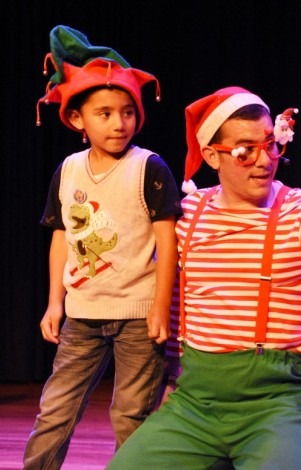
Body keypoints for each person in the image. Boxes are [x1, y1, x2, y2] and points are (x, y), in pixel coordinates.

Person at [107, 86, 301, 469]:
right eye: (246, 150)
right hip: (195, 401)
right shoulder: (189, 212)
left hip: (278, 402)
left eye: (271, 145)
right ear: (213, 155)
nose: (264, 161)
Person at [25, 26, 181, 469]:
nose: (119, 122)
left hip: (137, 314)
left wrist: (159, 306)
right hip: (82, 312)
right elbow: (61, 236)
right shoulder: (69, 169)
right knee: (55, 409)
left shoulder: (148, 167)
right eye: (105, 113)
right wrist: (55, 302)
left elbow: (167, 241)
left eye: (128, 112)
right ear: (77, 119)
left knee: (130, 415)